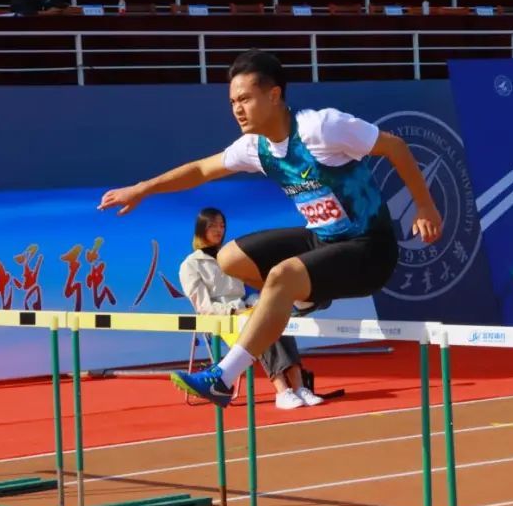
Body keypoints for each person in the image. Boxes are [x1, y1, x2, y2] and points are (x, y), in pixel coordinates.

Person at [98, 49, 442, 408]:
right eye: (233, 102)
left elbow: (395, 146)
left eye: (245, 99)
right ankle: (308, 295)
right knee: (228, 258)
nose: (237, 109)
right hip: (323, 241)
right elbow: (200, 170)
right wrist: (142, 189)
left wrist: (424, 205)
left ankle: (223, 377)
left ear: (274, 95)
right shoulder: (254, 147)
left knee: (281, 276)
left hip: (370, 248)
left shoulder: (322, 127)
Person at [179, 207, 323, 410]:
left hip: (246, 310)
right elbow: (204, 307)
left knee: (274, 315)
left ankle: (299, 387)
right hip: (222, 320)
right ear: (201, 229)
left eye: (222, 225)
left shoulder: (229, 256)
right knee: (259, 324)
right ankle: (282, 391)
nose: (219, 230)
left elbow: (247, 292)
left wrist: (260, 302)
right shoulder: (190, 265)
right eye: (212, 226)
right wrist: (234, 310)